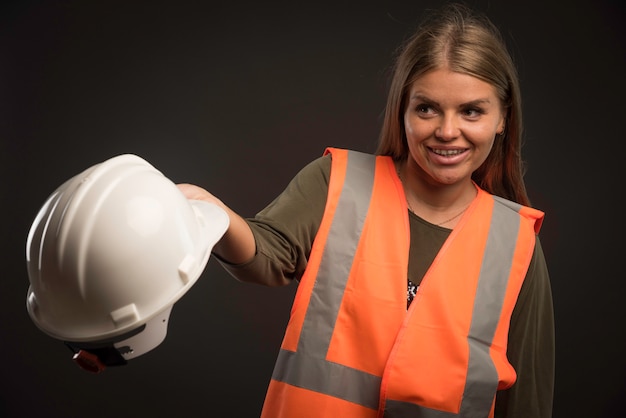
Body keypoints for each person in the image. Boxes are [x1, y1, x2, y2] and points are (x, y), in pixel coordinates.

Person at [178, 3, 555, 417]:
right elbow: (266, 257)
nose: (448, 131)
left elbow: (527, 400)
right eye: (427, 108)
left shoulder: (515, 245)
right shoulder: (337, 182)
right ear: (403, 110)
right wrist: (212, 212)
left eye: (471, 111)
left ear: (502, 118)